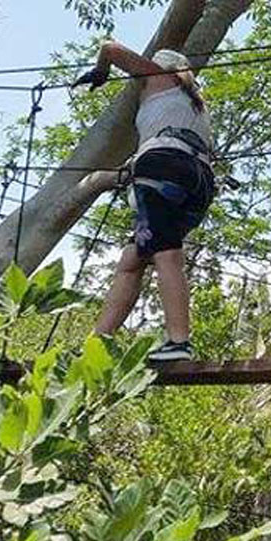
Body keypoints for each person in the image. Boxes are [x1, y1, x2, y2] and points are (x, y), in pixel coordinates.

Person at [73, 42, 216, 361]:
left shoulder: (159, 78)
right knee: (132, 260)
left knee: (166, 253)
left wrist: (100, 72)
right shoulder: (196, 106)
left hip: (163, 166)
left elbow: (109, 48)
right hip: (200, 180)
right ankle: (97, 344)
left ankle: (179, 342)